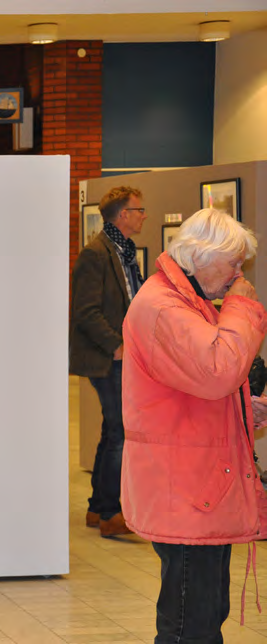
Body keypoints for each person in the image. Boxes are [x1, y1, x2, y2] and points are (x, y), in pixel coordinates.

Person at [121, 208, 267, 643]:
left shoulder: (182, 300)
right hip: (186, 490)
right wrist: (241, 306)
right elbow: (219, 370)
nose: (238, 273)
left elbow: (195, 383)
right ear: (201, 257)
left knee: (203, 613)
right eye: (234, 263)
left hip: (198, 487)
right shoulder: (164, 307)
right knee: (191, 623)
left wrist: (245, 406)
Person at [68, 186, 146, 537]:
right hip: (108, 357)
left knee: (111, 431)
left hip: (122, 356)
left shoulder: (124, 251)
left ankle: (98, 508)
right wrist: (116, 345)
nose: (144, 215)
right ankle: (112, 514)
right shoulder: (95, 253)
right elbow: (84, 311)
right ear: (123, 215)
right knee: (120, 433)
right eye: (139, 210)